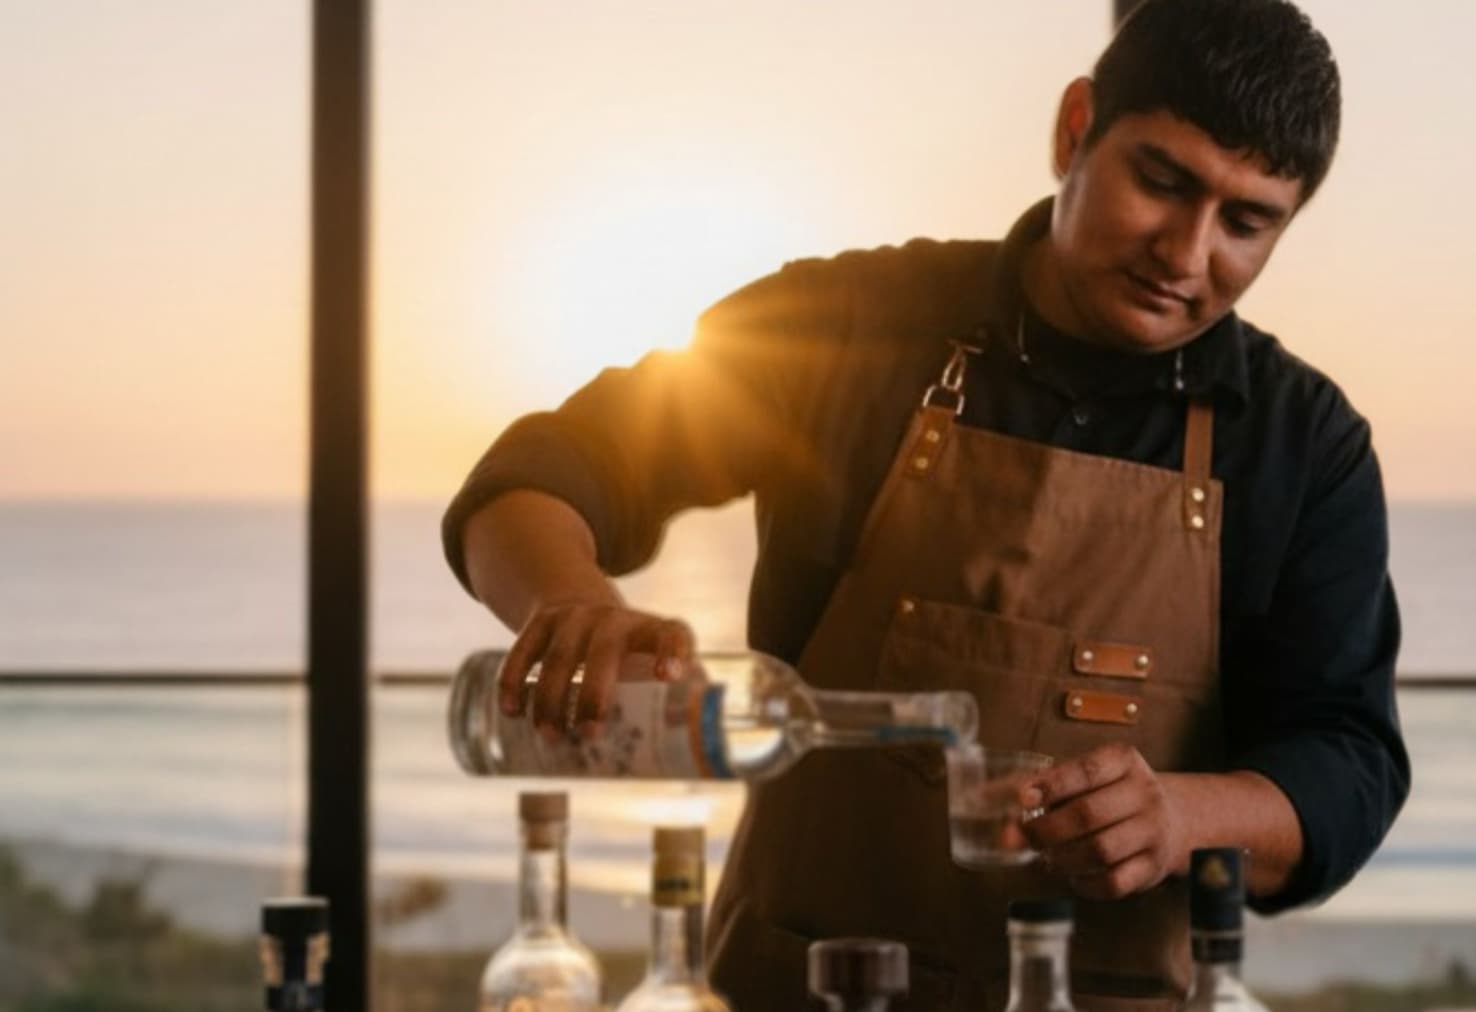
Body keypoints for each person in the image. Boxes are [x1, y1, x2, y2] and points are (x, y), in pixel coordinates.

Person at [442, 0, 1409, 1008]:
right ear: (1075, 128)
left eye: (1246, 222)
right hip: (799, 985)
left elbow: (1348, 762)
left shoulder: (1307, 446)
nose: (1186, 251)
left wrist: (1182, 817)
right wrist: (569, 597)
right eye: (1161, 182)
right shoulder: (846, 326)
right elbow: (543, 470)